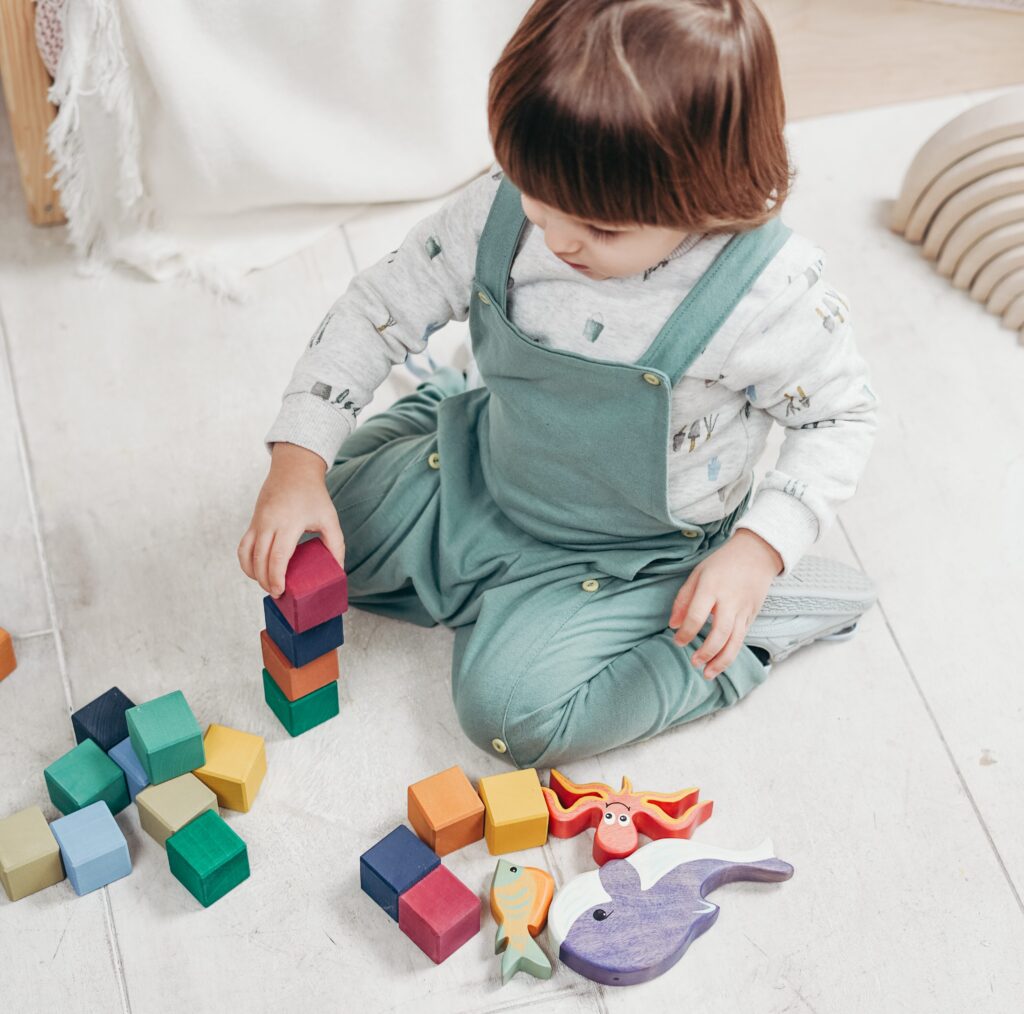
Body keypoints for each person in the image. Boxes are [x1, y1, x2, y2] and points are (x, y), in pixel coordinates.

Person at [238, 0, 879, 769]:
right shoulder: (514, 203)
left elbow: (840, 420)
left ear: (709, 193)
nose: (559, 238)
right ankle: (439, 409)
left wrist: (757, 550)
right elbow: (380, 305)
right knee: (313, 542)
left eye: (602, 229)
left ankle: (756, 630)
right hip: (489, 469)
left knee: (509, 715)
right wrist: (297, 463)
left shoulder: (765, 295)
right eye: (537, 201)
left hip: (630, 557)